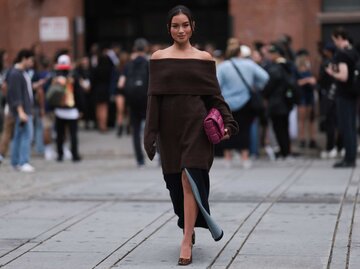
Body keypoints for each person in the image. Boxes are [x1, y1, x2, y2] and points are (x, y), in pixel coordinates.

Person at [144, 5, 238, 265]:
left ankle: (186, 240)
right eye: (175, 25)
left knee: (189, 179)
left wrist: (228, 122)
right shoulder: (159, 58)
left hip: (197, 129)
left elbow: (214, 97)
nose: (181, 30)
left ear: (193, 26)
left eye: (185, 24)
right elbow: (153, 100)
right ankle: (188, 224)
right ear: (169, 29)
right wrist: (149, 133)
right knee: (175, 185)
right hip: (169, 132)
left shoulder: (204, 58)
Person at [217, 41, 269, 168]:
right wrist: (255, 86)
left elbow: (217, 84)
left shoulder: (223, 66)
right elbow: (265, 77)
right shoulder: (249, 64)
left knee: (227, 129)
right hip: (246, 102)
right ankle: (245, 157)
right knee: (244, 129)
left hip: (227, 102)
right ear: (240, 52)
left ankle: (227, 158)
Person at [326, 27, 359, 168]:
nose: (334, 43)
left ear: (340, 38)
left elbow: (343, 76)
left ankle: (349, 159)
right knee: (351, 125)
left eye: (334, 40)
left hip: (344, 94)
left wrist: (331, 72)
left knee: (346, 126)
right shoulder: (354, 52)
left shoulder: (342, 54)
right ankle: (351, 156)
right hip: (353, 93)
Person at [118, 38, 149, 167]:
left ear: (135, 49)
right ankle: (158, 155)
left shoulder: (128, 65)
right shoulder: (149, 64)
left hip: (133, 101)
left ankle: (140, 159)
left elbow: (121, 84)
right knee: (154, 128)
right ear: (146, 48)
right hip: (147, 101)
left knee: (135, 131)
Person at [50, 54, 84, 162]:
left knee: (60, 134)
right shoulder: (73, 76)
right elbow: (79, 94)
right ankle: (74, 155)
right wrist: (81, 108)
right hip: (72, 109)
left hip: (59, 109)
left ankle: (60, 154)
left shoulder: (55, 77)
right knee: (73, 133)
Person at [7, 49, 35, 172]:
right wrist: (20, 111)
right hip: (22, 110)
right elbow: (16, 94)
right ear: (24, 58)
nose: (32, 63)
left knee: (19, 135)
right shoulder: (15, 74)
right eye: (30, 60)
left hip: (25, 109)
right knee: (26, 135)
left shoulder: (23, 73)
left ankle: (16, 161)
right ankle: (23, 161)